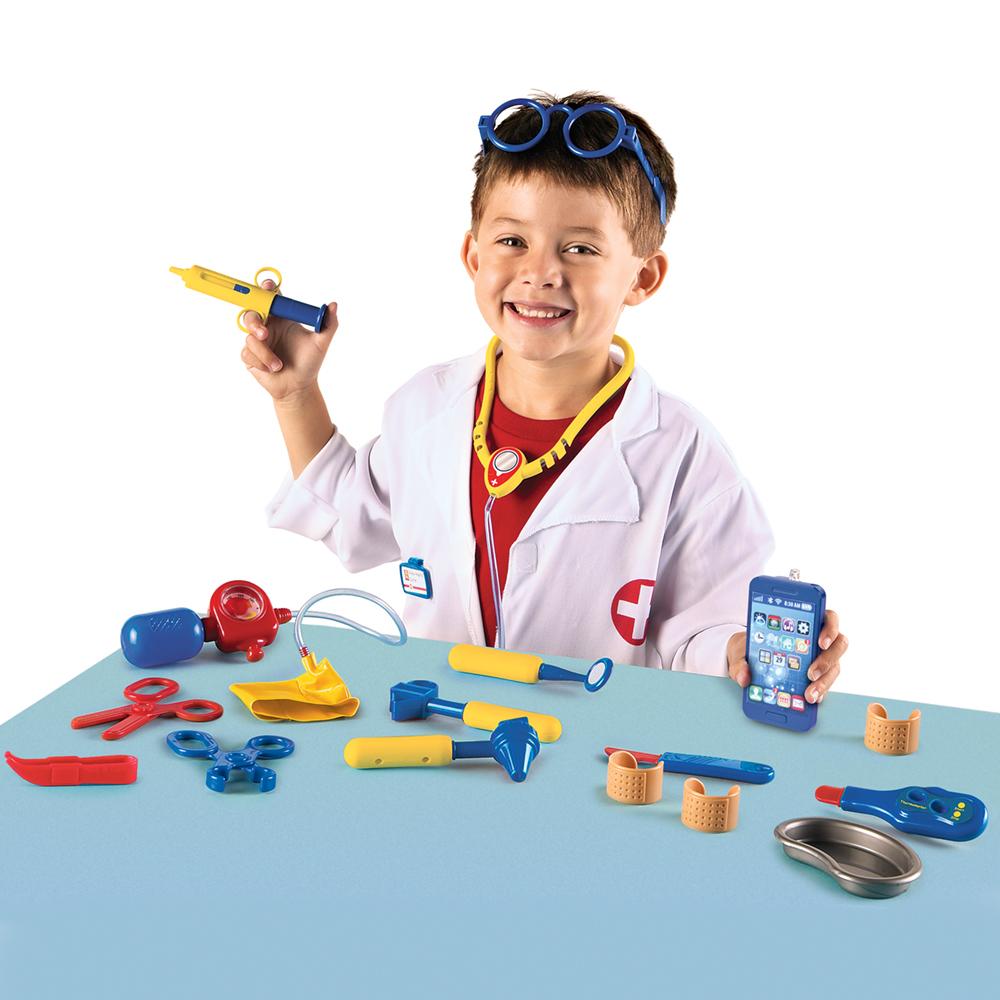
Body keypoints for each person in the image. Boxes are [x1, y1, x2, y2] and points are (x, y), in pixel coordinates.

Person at [240, 91, 847, 703]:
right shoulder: (425, 408)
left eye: (580, 249)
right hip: (435, 728)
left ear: (642, 278)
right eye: (512, 241)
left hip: (594, 740)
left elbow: (705, 627)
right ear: (473, 255)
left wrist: (744, 650)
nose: (540, 272)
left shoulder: (682, 450)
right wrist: (296, 394)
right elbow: (352, 517)